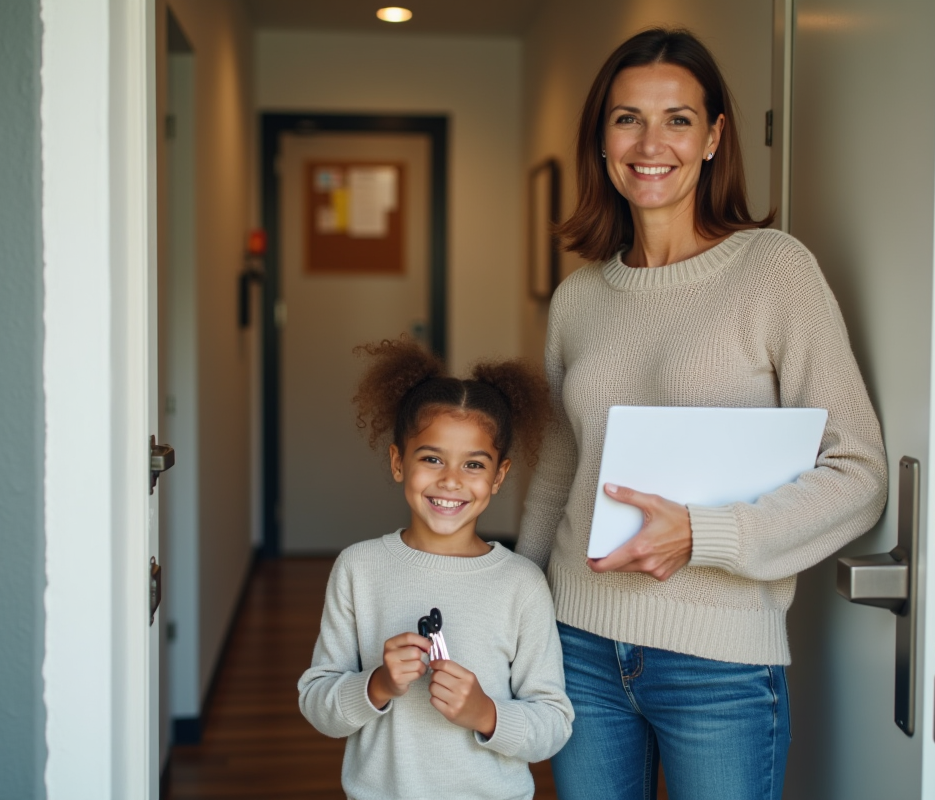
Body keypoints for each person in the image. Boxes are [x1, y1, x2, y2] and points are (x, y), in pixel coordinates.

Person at [516, 28, 888, 800]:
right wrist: (513, 614)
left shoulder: (774, 270)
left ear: (714, 137)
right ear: (602, 138)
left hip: (718, 663)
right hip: (576, 648)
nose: (651, 144)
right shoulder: (578, 298)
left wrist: (703, 534)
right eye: (628, 118)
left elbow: (859, 473)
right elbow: (557, 474)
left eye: (678, 120)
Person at [298, 338, 575, 800]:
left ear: (498, 477)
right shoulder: (359, 569)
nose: (450, 480)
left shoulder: (522, 584)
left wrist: (486, 713)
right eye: (431, 459)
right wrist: (378, 684)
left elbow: (553, 724)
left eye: (474, 464)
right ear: (398, 462)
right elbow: (316, 703)